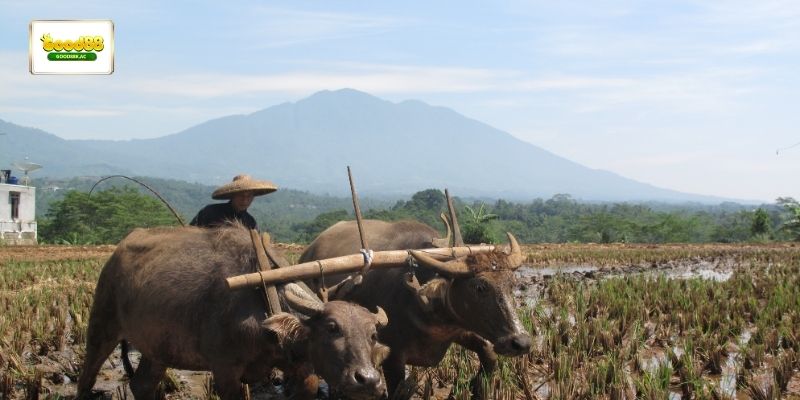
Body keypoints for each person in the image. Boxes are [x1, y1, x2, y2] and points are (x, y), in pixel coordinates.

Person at [190, 174, 277, 230]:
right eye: (241, 195)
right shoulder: (210, 212)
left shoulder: (250, 223)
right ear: (232, 195)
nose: (245, 200)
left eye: (249, 196)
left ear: (253, 197)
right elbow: (190, 233)